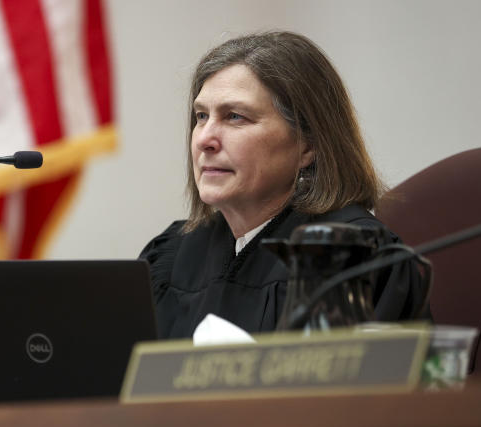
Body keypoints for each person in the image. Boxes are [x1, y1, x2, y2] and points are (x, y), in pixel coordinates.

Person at [140, 31, 429, 339]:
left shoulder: (351, 258)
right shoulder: (172, 255)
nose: (205, 139)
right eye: (201, 116)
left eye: (235, 116)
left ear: (308, 145)